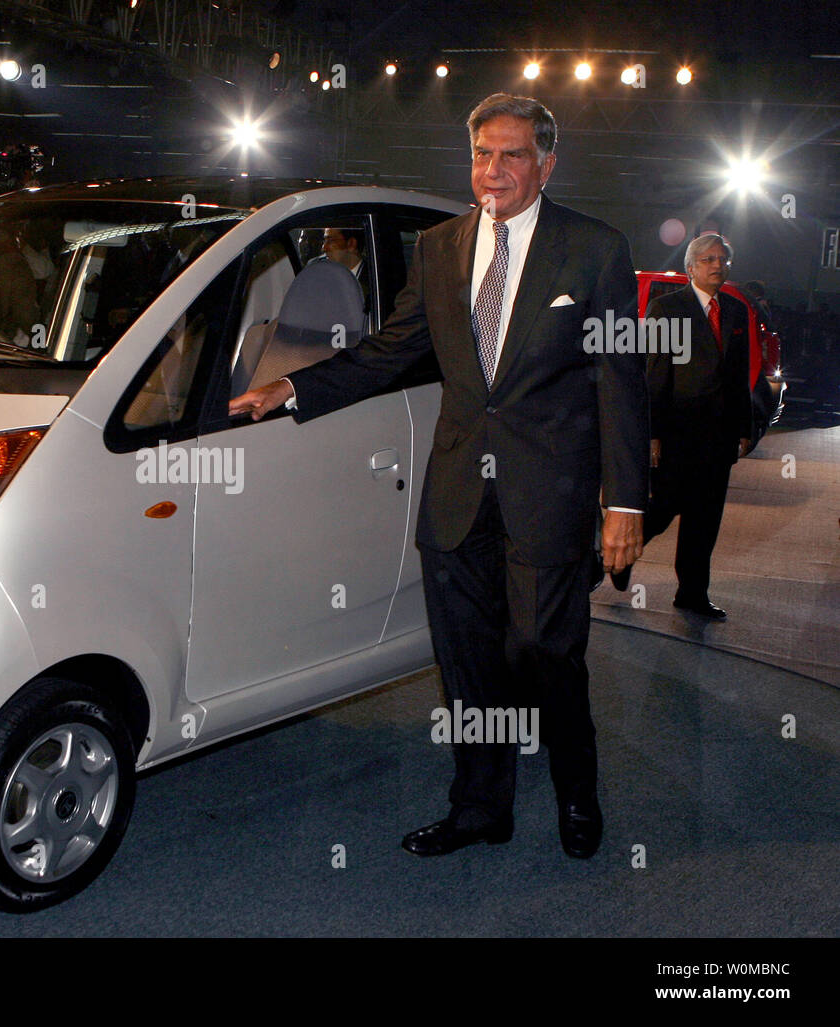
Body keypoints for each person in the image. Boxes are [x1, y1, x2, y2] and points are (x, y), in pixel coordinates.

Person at [229, 93, 649, 859]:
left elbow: (620, 381)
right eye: (483, 152)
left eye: (513, 154)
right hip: (457, 494)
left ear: (546, 165)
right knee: (465, 665)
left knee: (544, 652)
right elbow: (390, 350)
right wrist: (295, 389)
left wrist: (623, 501)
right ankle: (480, 804)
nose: (494, 170)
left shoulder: (594, 249)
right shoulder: (441, 247)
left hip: (548, 496)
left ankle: (576, 785)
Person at [640, 234, 751, 620]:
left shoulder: (736, 312)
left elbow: (738, 377)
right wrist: (651, 432)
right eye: (708, 259)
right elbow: (655, 373)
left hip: (718, 438)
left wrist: (744, 429)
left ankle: (692, 593)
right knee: (664, 506)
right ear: (691, 268)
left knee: (705, 518)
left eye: (723, 258)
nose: (717, 265)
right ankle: (614, 558)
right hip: (676, 434)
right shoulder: (666, 309)